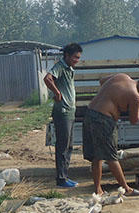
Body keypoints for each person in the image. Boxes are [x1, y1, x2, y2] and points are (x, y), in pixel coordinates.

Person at [82, 73, 139, 196]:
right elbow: (134, 120)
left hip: (89, 113)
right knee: (111, 156)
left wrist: (114, 96)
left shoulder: (122, 76)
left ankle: (98, 189)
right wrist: (137, 106)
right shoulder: (135, 96)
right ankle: (126, 189)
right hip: (103, 119)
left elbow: (102, 80)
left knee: (97, 156)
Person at [44, 43, 83, 189]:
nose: (76, 60)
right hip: (63, 112)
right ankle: (61, 179)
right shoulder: (60, 66)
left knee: (69, 146)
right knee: (62, 146)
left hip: (70, 112)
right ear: (66, 55)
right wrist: (57, 92)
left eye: (78, 58)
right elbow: (48, 79)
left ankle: (65, 176)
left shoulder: (69, 69)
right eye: (74, 57)